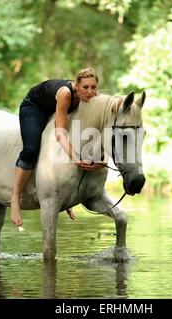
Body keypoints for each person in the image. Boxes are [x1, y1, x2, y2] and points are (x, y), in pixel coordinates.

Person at [11, 68, 104, 227]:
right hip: (34, 107)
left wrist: (103, 159)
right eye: (85, 87)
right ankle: (15, 196)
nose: (90, 92)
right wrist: (76, 160)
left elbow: (101, 132)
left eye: (93, 87)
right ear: (76, 86)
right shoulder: (65, 94)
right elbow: (60, 134)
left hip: (56, 109)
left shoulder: (95, 99)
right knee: (31, 149)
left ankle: (68, 202)